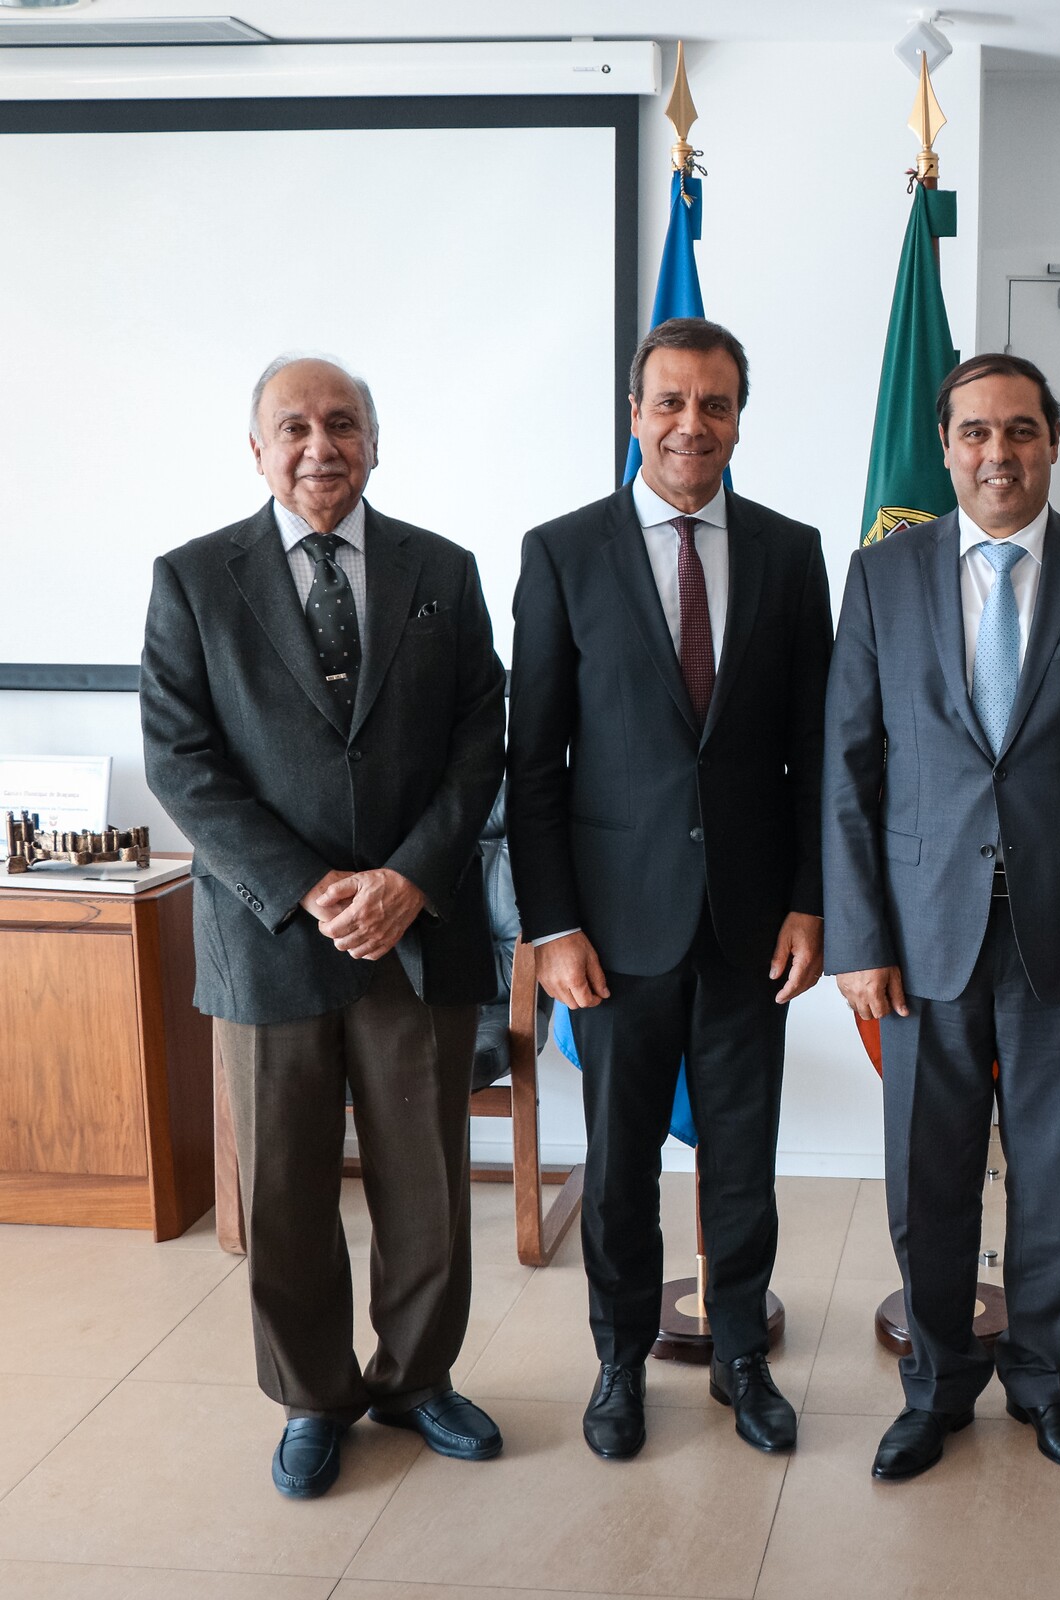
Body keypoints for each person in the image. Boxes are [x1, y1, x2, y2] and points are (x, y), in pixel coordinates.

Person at [141, 354, 508, 1499]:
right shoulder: (194, 579)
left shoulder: (442, 568)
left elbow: (479, 738)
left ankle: (416, 1378)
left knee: (425, 1182)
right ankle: (312, 1395)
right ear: (257, 451)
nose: (320, 445)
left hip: (416, 930)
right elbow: (182, 765)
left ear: (375, 440)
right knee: (290, 1189)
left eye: (341, 423)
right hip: (271, 938)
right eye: (292, 427)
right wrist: (308, 887)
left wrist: (406, 877)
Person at [825, 352, 1060, 1482]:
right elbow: (847, 769)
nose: (997, 453)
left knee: (1052, 1170)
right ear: (945, 447)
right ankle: (934, 1385)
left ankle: (1043, 1378)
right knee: (925, 1172)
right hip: (922, 936)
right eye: (975, 432)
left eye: (1020, 431)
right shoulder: (883, 577)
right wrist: (859, 937)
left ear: (1053, 441)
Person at [507, 318, 831, 1461]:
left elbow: (815, 747)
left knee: (743, 1155)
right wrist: (550, 927)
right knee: (621, 1165)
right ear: (635, 412)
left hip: (750, 927)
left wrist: (810, 899)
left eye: (717, 404)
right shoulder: (561, 551)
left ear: (741, 416)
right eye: (672, 403)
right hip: (610, 931)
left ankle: (741, 1355)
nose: (694, 425)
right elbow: (530, 759)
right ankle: (617, 1361)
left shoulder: (792, 553)